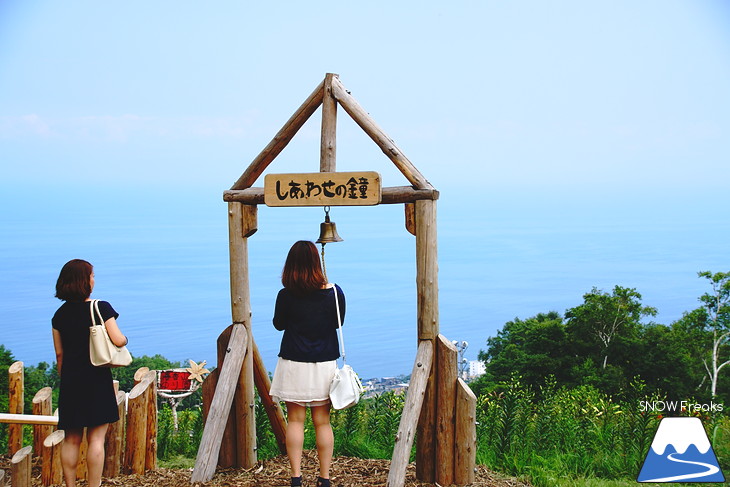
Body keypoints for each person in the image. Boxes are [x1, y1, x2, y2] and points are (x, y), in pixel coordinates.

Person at [269, 241, 346, 487]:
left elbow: (278, 324)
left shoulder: (286, 295)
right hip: (324, 363)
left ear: (290, 265)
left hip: (293, 361)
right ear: (316, 262)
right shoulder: (334, 293)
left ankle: (295, 477)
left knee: (295, 420)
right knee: (322, 421)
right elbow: (338, 323)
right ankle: (324, 478)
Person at [51, 259, 128, 487]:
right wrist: (124, 340)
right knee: (96, 439)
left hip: (71, 382)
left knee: (71, 439)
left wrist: (67, 378)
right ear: (84, 281)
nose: (94, 279)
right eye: (92, 275)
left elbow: (59, 356)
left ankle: (70, 485)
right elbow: (118, 339)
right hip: (97, 380)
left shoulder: (59, 315)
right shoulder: (101, 307)